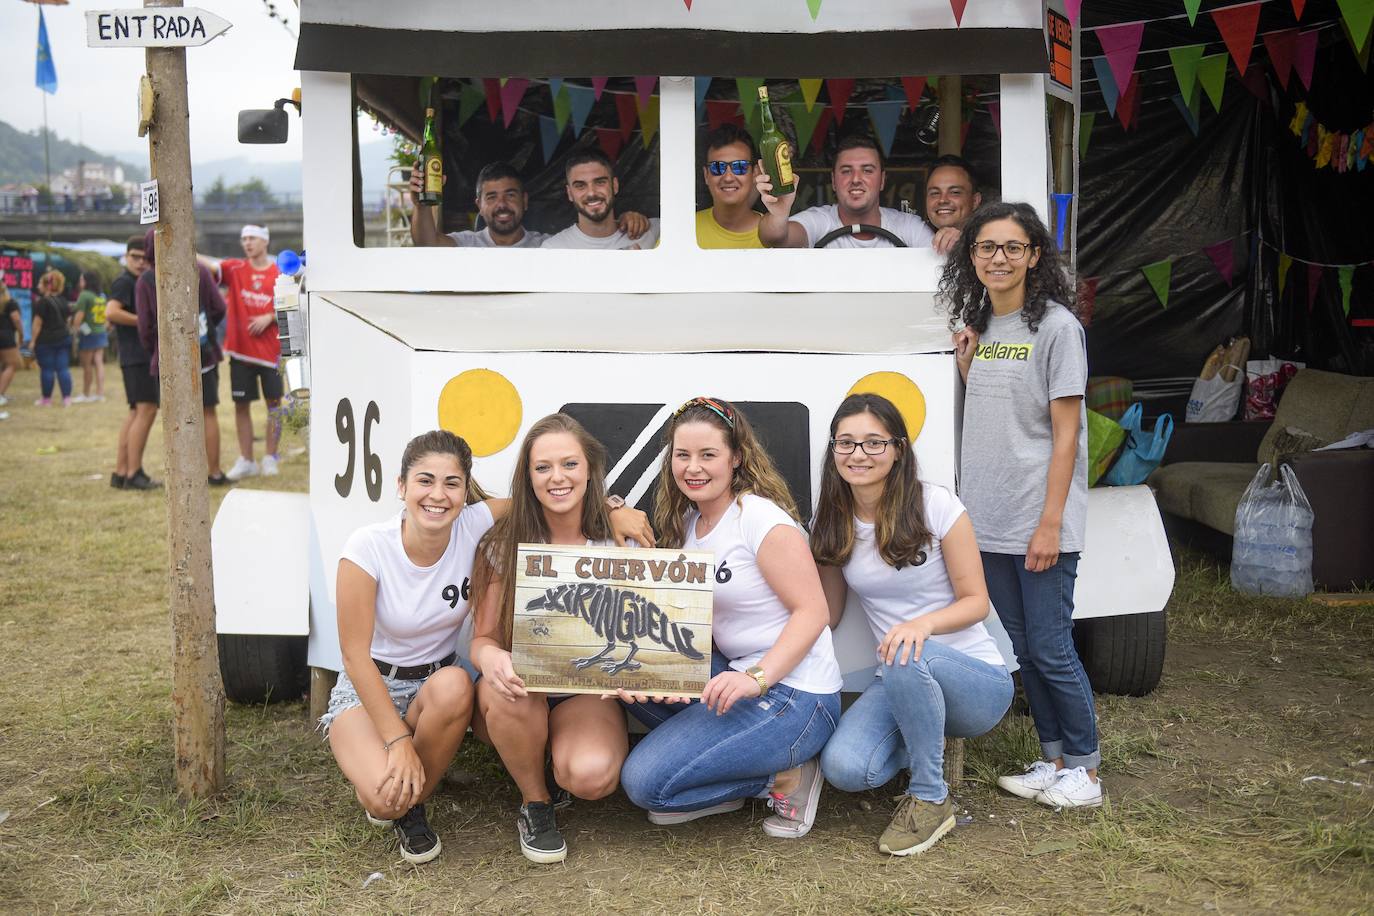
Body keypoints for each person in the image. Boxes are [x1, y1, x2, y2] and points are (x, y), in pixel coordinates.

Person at [321, 427, 652, 865]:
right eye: (424, 480)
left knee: (583, 771)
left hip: (475, 683)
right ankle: (450, 801)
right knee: (390, 798)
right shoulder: (375, 545)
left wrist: (609, 512)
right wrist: (399, 739)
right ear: (401, 486)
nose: (438, 494)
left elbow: (551, 503)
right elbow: (355, 655)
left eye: (452, 483)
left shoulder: (477, 523)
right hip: (386, 682)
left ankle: (424, 790)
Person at [619, 397, 841, 839]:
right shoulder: (688, 523)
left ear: (736, 457)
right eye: (682, 455)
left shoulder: (758, 519)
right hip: (737, 677)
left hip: (794, 696)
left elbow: (815, 611)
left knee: (646, 785)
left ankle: (787, 777)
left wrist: (756, 678)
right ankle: (723, 776)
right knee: (632, 674)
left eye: (708, 455)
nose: (693, 467)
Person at [941, 201, 1100, 808]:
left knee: (1053, 647)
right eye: (986, 247)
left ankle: (1085, 771)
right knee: (1024, 647)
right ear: (972, 257)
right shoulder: (982, 326)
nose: (998, 258)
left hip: (1040, 520)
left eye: (1012, 247)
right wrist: (965, 366)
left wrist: (1051, 525)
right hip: (989, 518)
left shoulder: (1058, 328)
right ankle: (1054, 757)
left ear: (1035, 255)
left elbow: (1067, 436)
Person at [812, 393, 1011, 856]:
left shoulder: (937, 505)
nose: (858, 454)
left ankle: (930, 796)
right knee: (845, 769)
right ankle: (924, 735)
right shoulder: (831, 522)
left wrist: (921, 625)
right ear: (834, 450)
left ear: (898, 448)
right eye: (846, 443)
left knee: (904, 651)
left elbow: (976, 602)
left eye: (873, 443)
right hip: (901, 675)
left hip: (974, 681)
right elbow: (829, 612)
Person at [467, 414, 636, 864]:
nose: (557, 477)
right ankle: (535, 801)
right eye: (543, 467)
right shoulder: (503, 544)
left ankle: (553, 758)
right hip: (519, 692)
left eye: (569, 464)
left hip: (585, 693)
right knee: (508, 691)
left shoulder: (621, 543)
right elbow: (482, 638)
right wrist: (491, 659)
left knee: (591, 777)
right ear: (528, 475)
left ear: (590, 470)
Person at [136, 228, 230, 486]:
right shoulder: (198, 269)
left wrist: (154, 348)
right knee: (208, 413)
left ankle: (181, 478)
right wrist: (205, 327)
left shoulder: (145, 280)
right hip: (204, 354)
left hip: (165, 359)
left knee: (173, 418)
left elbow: (144, 327)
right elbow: (220, 308)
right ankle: (214, 472)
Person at [757, 134, 954, 253]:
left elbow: (940, 266)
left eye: (867, 170)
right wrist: (778, 215)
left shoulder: (909, 227)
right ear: (833, 181)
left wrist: (952, 240)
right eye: (846, 171)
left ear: (882, 180)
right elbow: (774, 237)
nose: (856, 179)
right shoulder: (820, 221)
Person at [208, 225, 284, 482]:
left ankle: (270, 457)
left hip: (270, 353)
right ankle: (247, 460)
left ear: (265, 241)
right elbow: (209, 266)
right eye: (243, 239)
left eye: (252, 238)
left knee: (274, 406)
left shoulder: (280, 273)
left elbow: (295, 305)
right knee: (241, 405)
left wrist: (270, 315)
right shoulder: (235, 269)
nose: (247, 243)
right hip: (240, 352)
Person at [105, 235, 160, 490]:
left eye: (142, 258)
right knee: (146, 410)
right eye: (134, 257)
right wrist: (144, 320)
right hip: (137, 356)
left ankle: (121, 471)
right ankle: (134, 472)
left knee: (136, 412)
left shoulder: (135, 281)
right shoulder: (125, 282)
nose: (139, 263)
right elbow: (111, 312)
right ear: (126, 257)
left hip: (132, 356)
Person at [409, 161, 549, 248]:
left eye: (510, 195)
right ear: (479, 206)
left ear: (524, 201)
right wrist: (421, 205)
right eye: (491, 197)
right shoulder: (467, 244)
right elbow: (427, 244)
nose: (501, 204)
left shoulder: (547, 246)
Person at [542, 151, 660, 250]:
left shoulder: (653, 231)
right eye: (580, 185)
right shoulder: (554, 248)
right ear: (569, 193)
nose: (591, 193)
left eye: (600, 182)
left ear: (615, 185)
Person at [696, 124, 764, 249]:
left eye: (739, 166)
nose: (728, 177)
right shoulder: (686, 230)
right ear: (706, 175)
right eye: (717, 167)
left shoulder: (776, 236)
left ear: (755, 173)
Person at [28, 270, 75, 407]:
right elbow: (69, 320)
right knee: (63, 369)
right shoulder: (64, 301)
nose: (38, 286)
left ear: (46, 285)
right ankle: (66, 398)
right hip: (63, 338)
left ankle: (46, 399)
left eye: (39, 283)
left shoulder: (42, 302)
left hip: (45, 341)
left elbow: (37, 324)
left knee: (47, 370)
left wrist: (32, 341)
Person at [73, 271, 109, 403]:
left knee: (86, 365)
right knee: (99, 363)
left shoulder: (85, 295)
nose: (80, 283)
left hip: (88, 333)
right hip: (101, 331)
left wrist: (75, 329)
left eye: (81, 280)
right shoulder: (101, 295)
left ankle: (85, 393)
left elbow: (79, 316)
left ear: (87, 281)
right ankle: (100, 393)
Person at [924, 154, 983, 234]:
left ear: (975, 201)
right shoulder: (916, 242)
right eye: (935, 193)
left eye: (955, 192)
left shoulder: (989, 242)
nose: (942, 200)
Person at [0, 281, 21, 415]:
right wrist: (22, 333)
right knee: (13, 364)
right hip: (6, 336)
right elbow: (16, 319)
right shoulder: (10, 302)